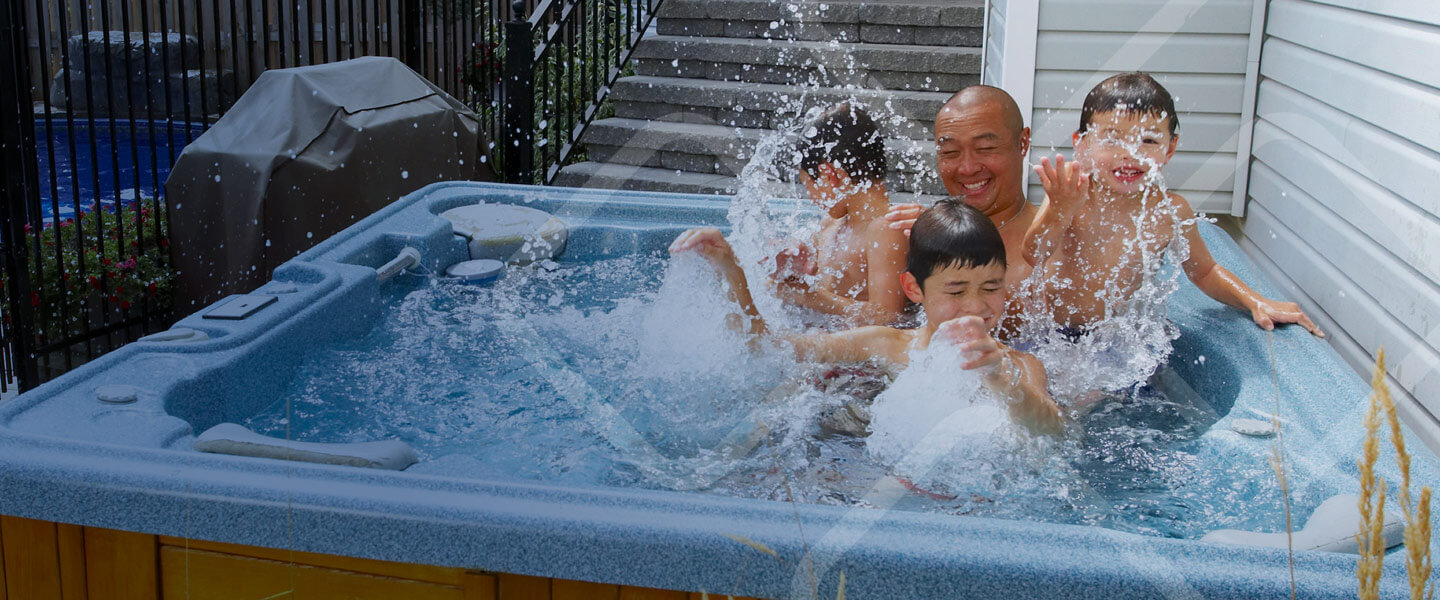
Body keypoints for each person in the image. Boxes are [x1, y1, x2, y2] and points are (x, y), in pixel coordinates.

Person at [670, 200, 1064, 436]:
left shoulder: (1019, 365)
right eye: (956, 291)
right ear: (913, 289)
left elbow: (1050, 429)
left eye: (991, 287)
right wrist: (730, 269)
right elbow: (768, 348)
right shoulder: (884, 344)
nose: (976, 306)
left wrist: (998, 378)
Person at [1024, 72, 1323, 337]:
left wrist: (1254, 301)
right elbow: (1032, 254)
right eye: (1112, 139)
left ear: (1171, 148)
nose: (1131, 154)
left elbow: (1204, 272)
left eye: (1149, 141)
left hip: (1114, 340)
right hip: (1052, 335)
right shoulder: (1071, 195)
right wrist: (1058, 212)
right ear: (1083, 144)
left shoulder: (1170, 211)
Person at [883, 86, 1039, 301]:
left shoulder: (1053, 242)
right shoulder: (914, 233)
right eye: (950, 153)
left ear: (1022, 143)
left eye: (985, 148)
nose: (967, 168)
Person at [770, 102, 910, 327]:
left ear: (830, 175)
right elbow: (805, 275)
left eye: (808, 184)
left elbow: (888, 317)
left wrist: (811, 297)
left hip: (861, 359)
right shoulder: (830, 225)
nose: (810, 197)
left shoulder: (885, 230)